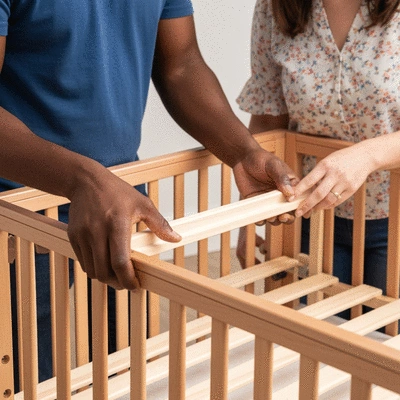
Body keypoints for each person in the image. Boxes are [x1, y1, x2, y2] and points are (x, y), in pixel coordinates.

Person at [0, 0, 297, 386]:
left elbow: (181, 65)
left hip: (122, 200)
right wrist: (84, 180)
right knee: (24, 377)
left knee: (122, 370)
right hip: (15, 211)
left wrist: (243, 152)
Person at [237, 0, 400, 297]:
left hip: (394, 221)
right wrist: (248, 218)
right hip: (309, 215)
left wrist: (367, 155)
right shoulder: (275, 7)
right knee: (310, 332)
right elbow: (267, 118)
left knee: (384, 339)